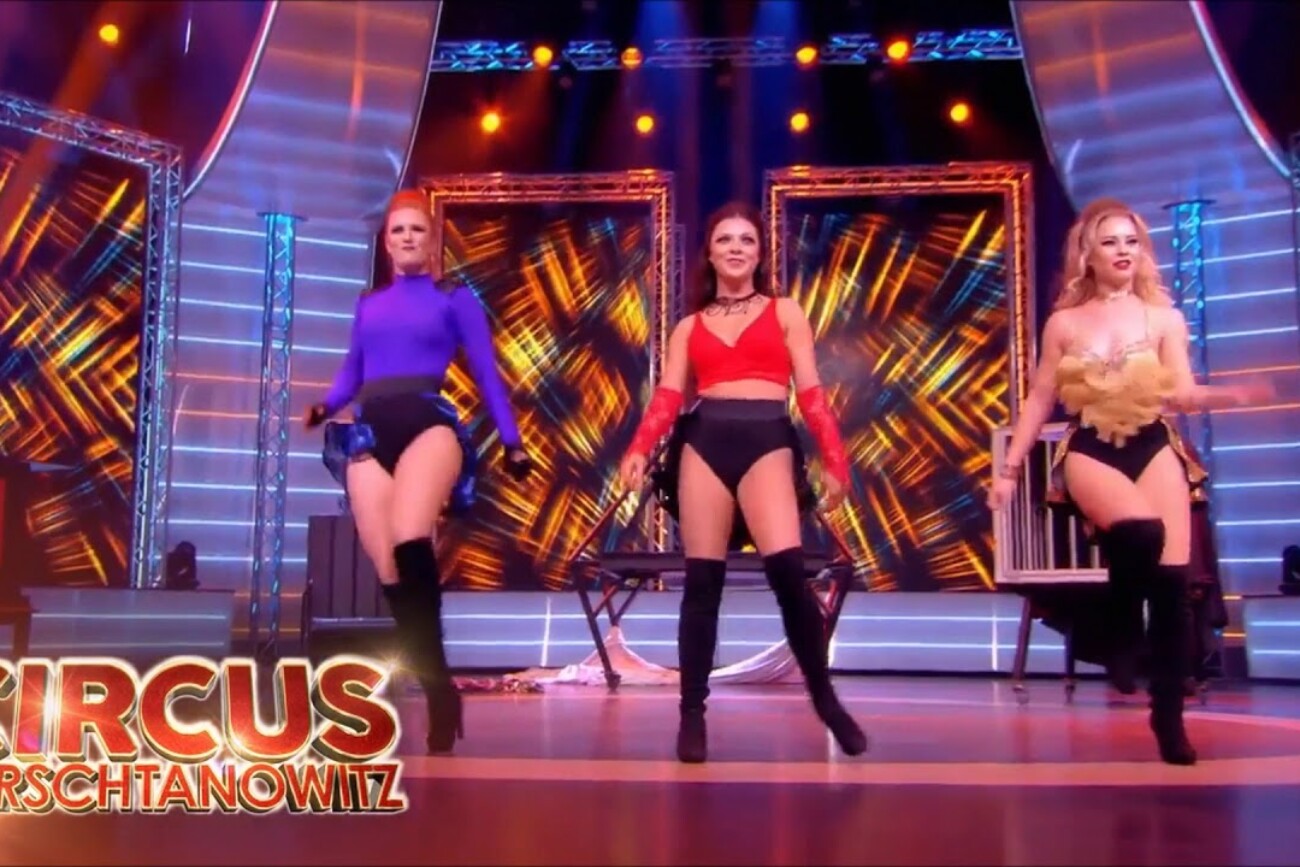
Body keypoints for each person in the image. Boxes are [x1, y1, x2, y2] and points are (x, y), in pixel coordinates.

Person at [987, 197, 1271, 765]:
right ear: (1088, 254)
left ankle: (1168, 718)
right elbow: (1040, 398)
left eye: (1131, 241)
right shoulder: (1065, 323)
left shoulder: (1163, 318)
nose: (1123, 251)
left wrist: (1233, 395)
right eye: (1110, 241)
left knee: (1172, 589)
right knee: (1140, 532)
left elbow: (1181, 393)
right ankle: (1116, 630)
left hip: (1151, 440)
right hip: (1092, 445)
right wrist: (1009, 470)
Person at [618, 202, 867, 764]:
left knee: (789, 576)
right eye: (725, 239)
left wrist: (835, 459)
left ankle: (825, 699)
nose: (735, 248)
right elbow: (668, 396)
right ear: (709, 253)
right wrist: (639, 447)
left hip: (766, 438)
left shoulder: (785, 312)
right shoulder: (689, 326)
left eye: (746, 240)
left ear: (759, 254)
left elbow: (811, 393)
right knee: (702, 583)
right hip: (705, 441)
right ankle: (691, 715)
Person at [305, 189, 532, 754]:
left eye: (417, 230)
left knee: (411, 539)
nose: (408, 237)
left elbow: (487, 371)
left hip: (429, 424)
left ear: (433, 241)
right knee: (388, 570)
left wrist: (513, 442)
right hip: (369, 431)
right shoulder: (368, 304)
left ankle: (436, 697)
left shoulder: (454, 298)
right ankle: (439, 687)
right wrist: (324, 407)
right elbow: (351, 372)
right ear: (387, 243)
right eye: (398, 230)